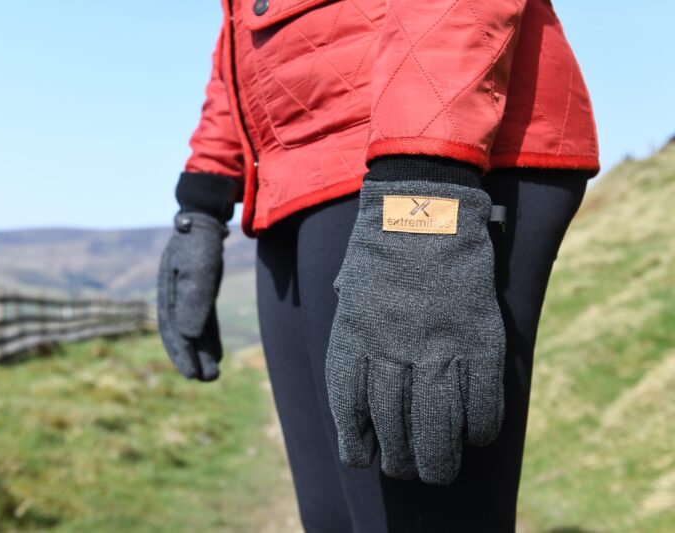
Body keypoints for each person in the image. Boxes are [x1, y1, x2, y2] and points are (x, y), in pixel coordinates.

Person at [157, 0, 599, 531]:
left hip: (417, 142)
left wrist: (425, 175)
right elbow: (241, 25)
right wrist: (206, 191)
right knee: (333, 518)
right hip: (291, 172)